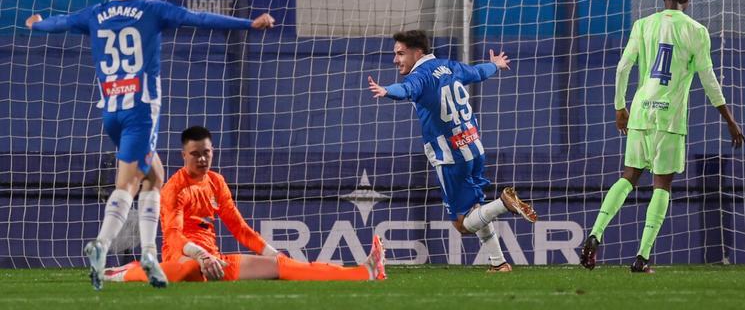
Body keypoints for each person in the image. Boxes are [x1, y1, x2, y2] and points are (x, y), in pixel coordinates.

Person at [25, 0, 276, 289]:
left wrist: (38, 26)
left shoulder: (96, 12)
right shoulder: (151, 9)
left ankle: (147, 254)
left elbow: (61, 22)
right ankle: (100, 245)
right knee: (128, 182)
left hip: (111, 110)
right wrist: (249, 23)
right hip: (140, 112)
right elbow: (200, 18)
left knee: (154, 175)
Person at [580, 0, 745, 273]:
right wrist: (729, 119)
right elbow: (709, 81)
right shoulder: (696, 31)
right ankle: (642, 257)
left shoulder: (643, 25)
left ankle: (594, 234)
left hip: (641, 111)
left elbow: (622, 68)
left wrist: (620, 108)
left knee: (628, 177)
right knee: (662, 185)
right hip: (669, 118)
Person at [103, 125, 385, 283]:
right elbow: (174, 236)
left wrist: (274, 253)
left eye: (207, 153)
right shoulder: (174, 187)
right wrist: (200, 256)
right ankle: (130, 271)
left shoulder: (216, 182)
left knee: (282, 268)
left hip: (216, 263)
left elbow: (239, 227)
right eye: (195, 154)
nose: (202, 159)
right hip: (185, 260)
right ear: (183, 155)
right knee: (187, 270)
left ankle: (365, 271)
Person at [367, 30, 537, 272]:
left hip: (450, 157)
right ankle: (498, 263)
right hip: (474, 148)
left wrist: (387, 90)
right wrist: (495, 65)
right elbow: (478, 72)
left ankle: (503, 203)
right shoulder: (449, 66)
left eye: (400, 53)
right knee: (477, 208)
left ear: (418, 52)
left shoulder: (420, 76)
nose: (395, 59)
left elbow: (406, 89)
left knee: (462, 224)